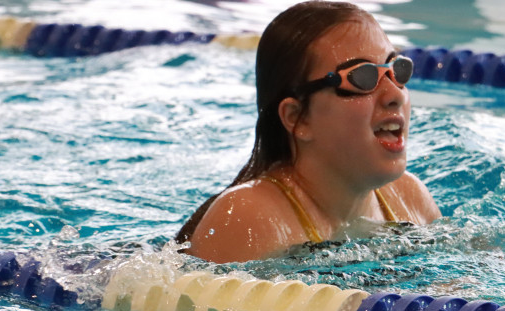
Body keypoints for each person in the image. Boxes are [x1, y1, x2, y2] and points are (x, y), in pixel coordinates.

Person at [175, 1, 441, 263]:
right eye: (363, 77)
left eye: (396, 70)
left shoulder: (409, 197)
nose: (395, 95)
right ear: (298, 118)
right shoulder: (248, 219)